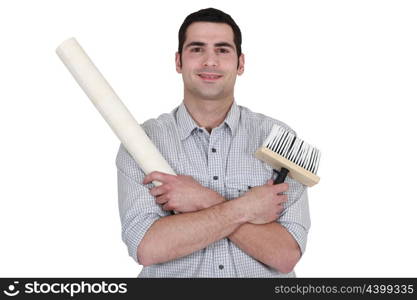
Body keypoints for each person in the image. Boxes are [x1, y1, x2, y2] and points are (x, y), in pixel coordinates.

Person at [116, 7, 310, 278]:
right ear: (178, 61)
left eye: (222, 50)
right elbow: (148, 247)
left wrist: (201, 198)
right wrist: (246, 208)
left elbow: (285, 256)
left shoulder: (280, 140)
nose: (210, 61)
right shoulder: (141, 143)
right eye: (197, 49)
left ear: (240, 63)